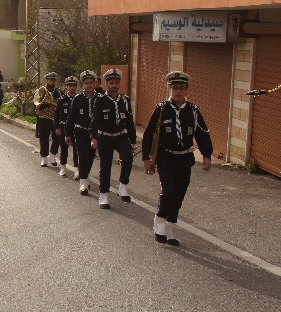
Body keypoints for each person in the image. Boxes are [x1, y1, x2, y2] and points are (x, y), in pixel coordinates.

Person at [142, 71, 213, 245]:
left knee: (179, 194)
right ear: (170, 88)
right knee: (168, 191)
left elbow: (202, 134)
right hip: (166, 157)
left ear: (187, 89)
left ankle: (170, 227)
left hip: (185, 158)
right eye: (175, 87)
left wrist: (207, 155)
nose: (178, 91)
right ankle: (159, 222)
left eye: (181, 88)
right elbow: (149, 134)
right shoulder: (161, 109)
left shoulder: (193, 110)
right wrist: (146, 158)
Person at [90, 68, 136, 209]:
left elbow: (129, 121)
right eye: (111, 82)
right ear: (107, 83)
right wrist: (93, 137)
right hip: (105, 137)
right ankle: (103, 194)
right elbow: (95, 121)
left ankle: (123, 186)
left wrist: (133, 139)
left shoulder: (125, 100)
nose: (114, 85)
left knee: (128, 157)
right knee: (105, 166)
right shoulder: (100, 100)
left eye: (116, 82)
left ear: (119, 83)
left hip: (120, 135)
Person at [65, 70, 100, 196]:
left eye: (91, 82)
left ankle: (86, 175)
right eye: (86, 83)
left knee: (90, 157)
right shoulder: (77, 99)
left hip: (94, 134)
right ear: (82, 84)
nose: (89, 85)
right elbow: (70, 118)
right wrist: (67, 134)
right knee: (82, 156)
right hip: (80, 131)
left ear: (95, 83)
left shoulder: (100, 99)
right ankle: (83, 183)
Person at [34, 72, 63, 167]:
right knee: (43, 139)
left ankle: (53, 155)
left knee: (57, 138)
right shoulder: (41, 91)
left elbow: (61, 104)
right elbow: (36, 104)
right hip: (43, 119)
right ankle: (44, 158)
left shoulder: (58, 92)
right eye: (50, 80)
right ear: (47, 80)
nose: (52, 82)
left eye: (53, 80)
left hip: (55, 120)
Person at [54, 76, 79, 178]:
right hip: (64, 126)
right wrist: (57, 127)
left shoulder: (79, 99)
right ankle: (63, 167)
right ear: (67, 87)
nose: (72, 88)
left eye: (74, 86)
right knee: (64, 148)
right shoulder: (61, 99)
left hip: (76, 128)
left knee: (77, 150)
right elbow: (56, 115)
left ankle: (77, 170)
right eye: (70, 86)